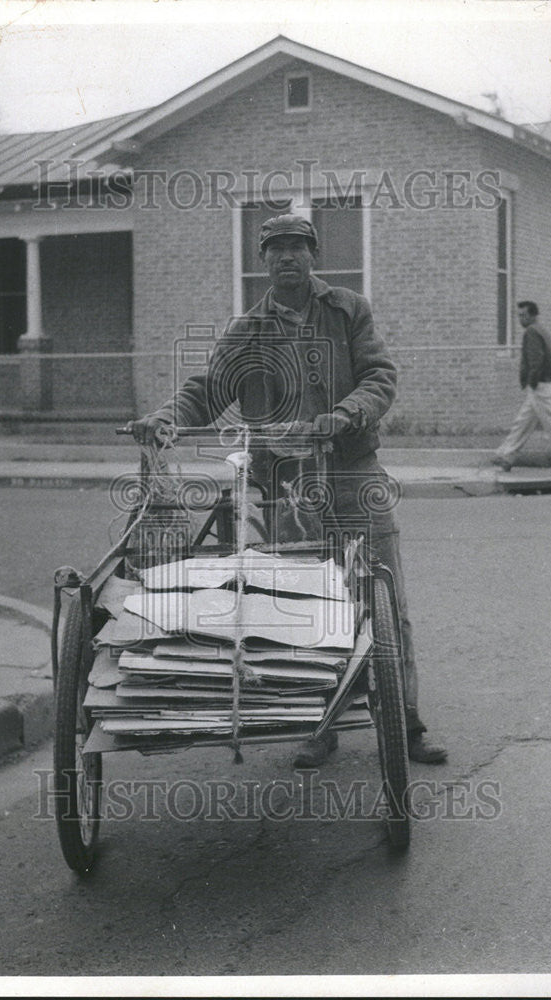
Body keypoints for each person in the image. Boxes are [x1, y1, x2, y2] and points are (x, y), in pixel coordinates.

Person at [131, 213, 446, 767]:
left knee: (383, 596)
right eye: (275, 249)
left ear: (313, 255)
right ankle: (318, 724)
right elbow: (206, 390)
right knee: (303, 604)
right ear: (264, 261)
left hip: (352, 474)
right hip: (282, 487)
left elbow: (380, 376)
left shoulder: (348, 310)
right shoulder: (247, 330)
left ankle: (406, 723)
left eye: (297, 247)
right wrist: (165, 417)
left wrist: (344, 415)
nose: (287, 257)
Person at [492, 301, 551, 476]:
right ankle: (506, 457)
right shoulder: (540, 330)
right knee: (523, 422)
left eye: (524, 315)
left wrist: (532, 381)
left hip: (539, 385)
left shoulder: (532, 332)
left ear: (533, 315)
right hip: (543, 384)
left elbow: (537, 360)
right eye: (519, 315)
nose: (521, 318)